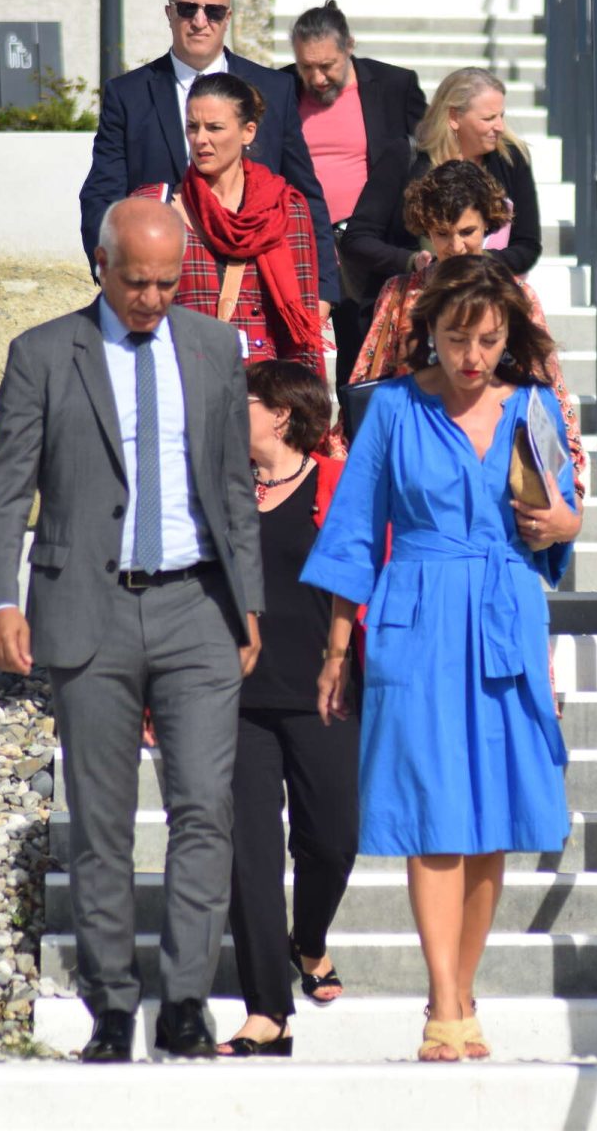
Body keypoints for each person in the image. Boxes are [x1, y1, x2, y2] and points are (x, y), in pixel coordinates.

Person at [0, 198, 263, 1062]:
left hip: (198, 604)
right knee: (101, 819)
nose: (150, 299)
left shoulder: (214, 349)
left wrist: (249, 601)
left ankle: (183, 1001)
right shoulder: (42, 354)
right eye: (136, 282)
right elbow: (7, 491)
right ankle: (109, 1005)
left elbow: (233, 485)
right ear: (101, 264)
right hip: (85, 606)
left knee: (205, 809)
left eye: (168, 283)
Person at [302, 254, 581, 1062]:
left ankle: (463, 989)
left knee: (493, 813)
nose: (472, 356)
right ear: (428, 331)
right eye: (458, 337)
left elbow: (561, 519)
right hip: (417, 611)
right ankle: (442, 1001)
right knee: (432, 811)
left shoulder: (533, 407)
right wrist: (336, 647)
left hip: (503, 610)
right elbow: (354, 528)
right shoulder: (389, 409)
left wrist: (562, 528)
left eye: (489, 340)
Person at [216, 360, 359, 1059]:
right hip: (233, 698)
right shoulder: (219, 488)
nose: (229, 408)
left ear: (281, 412)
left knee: (331, 840)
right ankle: (267, 1010)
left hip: (322, 694)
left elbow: (357, 576)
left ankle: (309, 939)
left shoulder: (333, 482)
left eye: (241, 399)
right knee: (250, 853)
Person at [79, 0, 340, 309]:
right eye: (188, 9)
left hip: (257, 288)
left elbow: (304, 193)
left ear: (228, 18)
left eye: (213, 11)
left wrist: (321, 288)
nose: (200, 21)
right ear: (169, 13)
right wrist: (112, 270)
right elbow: (103, 192)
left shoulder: (274, 89)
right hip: (160, 287)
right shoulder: (129, 94)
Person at [348, 159, 586, 492]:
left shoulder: (518, 297)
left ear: (488, 225)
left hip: (495, 462)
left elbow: (548, 389)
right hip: (414, 464)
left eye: (467, 232)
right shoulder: (400, 294)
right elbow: (369, 382)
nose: (456, 246)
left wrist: (566, 479)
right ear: (426, 230)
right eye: (442, 234)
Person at [130, 74, 323, 376]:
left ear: (248, 132)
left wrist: (301, 406)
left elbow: (301, 327)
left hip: (262, 390)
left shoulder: (283, 207)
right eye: (192, 127)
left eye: (215, 128)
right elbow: (130, 312)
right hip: (182, 381)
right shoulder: (153, 207)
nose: (200, 139)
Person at [282, 0, 427, 383]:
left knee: (363, 358)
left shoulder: (395, 86)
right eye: (306, 66)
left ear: (349, 47)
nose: (316, 79)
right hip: (300, 242)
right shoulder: (280, 87)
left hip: (367, 245)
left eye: (327, 66)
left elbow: (426, 158)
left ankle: (357, 437)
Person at [342, 67, 542, 300]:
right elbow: (358, 239)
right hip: (410, 303)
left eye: (501, 115)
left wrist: (480, 260)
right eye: (488, 118)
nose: (499, 126)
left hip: (486, 299)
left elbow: (527, 245)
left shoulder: (510, 158)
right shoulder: (406, 156)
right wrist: (412, 262)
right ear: (454, 118)